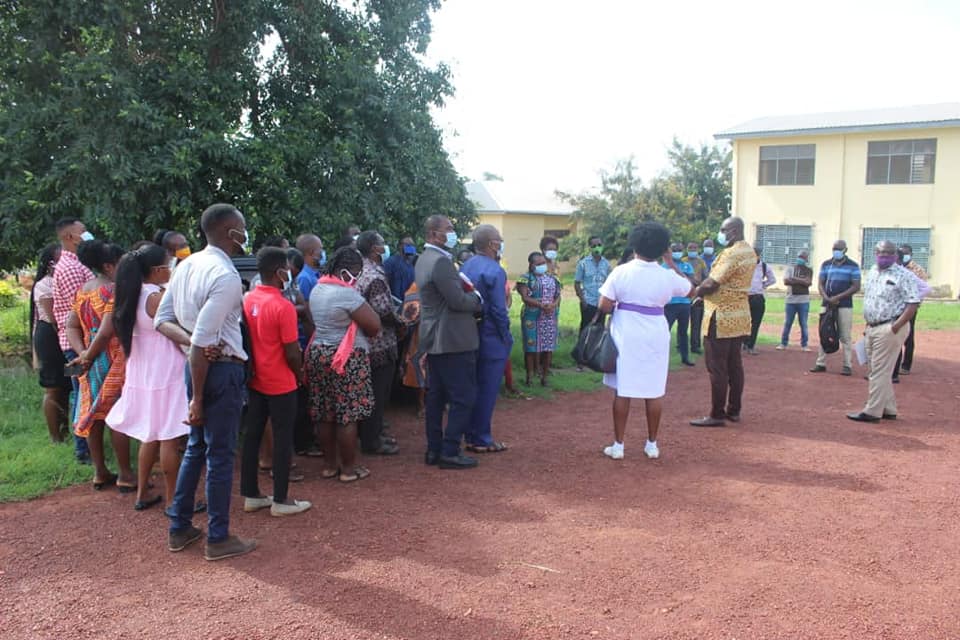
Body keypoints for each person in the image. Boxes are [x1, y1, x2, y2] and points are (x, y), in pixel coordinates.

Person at [154, 203, 256, 561]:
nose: (246, 234)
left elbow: (162, 322)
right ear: (232, 233)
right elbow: (201, 342)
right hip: (218, 373)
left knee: (197, 449)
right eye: (243, 228)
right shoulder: (225, 276)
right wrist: (197, 398)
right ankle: (218, 537)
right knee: (220, 455)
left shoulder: (186, 265)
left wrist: (192, 342)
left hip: (195, 368)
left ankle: (179, 528)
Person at [597, 222, 694, 460]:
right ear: (663, 249)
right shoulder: (666, 274)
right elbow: (690, 289)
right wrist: (671, 263)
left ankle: (618, 446)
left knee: (623, 390)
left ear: (634, 245)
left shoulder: (621, 271)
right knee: (654, 391)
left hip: (627, 333)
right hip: (656, 333)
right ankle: (652, 444)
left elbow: (604, 305)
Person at [107, 243, 191, 511]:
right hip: (165, 371)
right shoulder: (156, 297)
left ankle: (142, 492)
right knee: (169, 436)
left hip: (142, 371)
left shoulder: (129, 294)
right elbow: (178, 326)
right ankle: (173, 499)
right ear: (157, 270)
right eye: (169, 265)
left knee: (150, 435)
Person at [239, 247, 312, 516]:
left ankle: (251, 494)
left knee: (253, 435)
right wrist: (300, 373)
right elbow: (292, 351)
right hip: (281, 382)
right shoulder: (283, 307)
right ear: (278, 271)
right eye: (286, 269)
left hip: (255, 379)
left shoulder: (248, 299)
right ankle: (281, 499)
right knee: (282, 439)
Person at [306, 247, 382, 482]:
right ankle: (348, 470)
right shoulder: (348, 295)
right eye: (357, 272)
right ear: (347, 271)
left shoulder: (318, 288)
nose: (358, 277)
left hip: (318, 353)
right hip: (346, 357)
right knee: (347, 414)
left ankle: (329, 466)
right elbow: (374, 326)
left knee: (325, 413)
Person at [415, 215, 483, 469]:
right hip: (453, 338)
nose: (453, 233)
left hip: (434, 337)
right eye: (449, 229)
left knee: (436, 397)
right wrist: (477, 300)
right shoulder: (441, 262)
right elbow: (456, 301)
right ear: (434, 234)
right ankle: (450, 450)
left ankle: (434, 449)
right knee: (463, 396)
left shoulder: (424, 259)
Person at [65, 240, 134, 490]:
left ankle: (100, 472)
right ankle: (126, 475)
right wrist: (90, 356)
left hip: (89, 359)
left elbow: (71, 325)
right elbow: (106, 332)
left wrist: (83, 354)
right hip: (112, 358)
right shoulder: (113, 290)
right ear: (108, 265)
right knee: (117, 414)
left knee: (94, 414)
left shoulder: (84, 290)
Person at [689, 217, 757, 427]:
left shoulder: (731, 253)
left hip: (721, 315)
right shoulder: (749, 252)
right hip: (739, 315)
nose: (720, 234)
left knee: (717, 367)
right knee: (735, 365)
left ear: (734, 231)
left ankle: (717, 414)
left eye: (723, 230)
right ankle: (733, 410)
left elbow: (712, 282)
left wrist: (696, 292)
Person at [847, 241, 920, 423]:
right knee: (879, 369)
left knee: (878, 370)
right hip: (872, 326)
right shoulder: (872, 271)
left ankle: (872, 411)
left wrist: (895, 327)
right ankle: (888, 408)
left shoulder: (904, 275)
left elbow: (913, 303)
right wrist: (868, 325)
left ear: (896, 256)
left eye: (888, 253)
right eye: (880, 252)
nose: (884, 256)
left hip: (890, 327)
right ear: (875, 253)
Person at [460, 224, 511, 453]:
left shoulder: (466, 265)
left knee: (471, 385)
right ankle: (481, 437)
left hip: (469, 332)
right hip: (491, 335)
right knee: (488, 388)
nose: (501, 243)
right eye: (499, 240)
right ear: (492, 244)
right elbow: (499, 310)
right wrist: (505, 335)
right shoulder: (496, 270)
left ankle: (470, 433)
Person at [355, 231, 403, 456]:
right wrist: (402, 321)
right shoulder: (374, 275)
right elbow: (383, 310)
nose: (386, 247)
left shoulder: (357, 270)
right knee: (378, 392)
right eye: (383, 244)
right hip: (379, 343)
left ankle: (370, 434)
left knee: (369, 391)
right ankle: (371, 440)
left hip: (362, 341)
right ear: (375, 248)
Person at [52, 217, 94, 463]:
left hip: (79, 343)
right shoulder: (70, 269)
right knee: (81, 395)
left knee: (82, 393)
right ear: (70, 237)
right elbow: (80, 312)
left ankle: (86, 445)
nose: (86, 234)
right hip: (76, 346)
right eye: (83, 231)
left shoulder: (77, 264)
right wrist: (85, 349)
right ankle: (82, 449)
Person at [31, 244, 71, 442]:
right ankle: (56, 437)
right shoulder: (44, 285)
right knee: (53, 387)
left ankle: (66, 430)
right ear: (50, 264)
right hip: (51, 337)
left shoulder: (63, 281)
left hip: (64, 335)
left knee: (67, 384)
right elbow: (53, 318)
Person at [810, 240, 861, 376]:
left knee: (845, 336)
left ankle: (847, 365)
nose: (836, 251)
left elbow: (856, 286)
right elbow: (820, 283)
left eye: (839, 249)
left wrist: (838, 297)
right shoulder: (826, 264)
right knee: (824, 332)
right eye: (834, 248)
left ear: (845, 250)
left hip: (844, 305)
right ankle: (820, 363)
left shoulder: (853, 266)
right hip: (826, 304)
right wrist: (826, 297)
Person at [517, 252, 561, 386]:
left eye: (544, 263)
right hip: (532, 316)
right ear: (531, 265)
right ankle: (529, 377)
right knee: (531, 347)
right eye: (539, 264)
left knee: (548, 347)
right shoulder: (525, 278)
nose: (542, 266)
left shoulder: (553, 278)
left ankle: (545, 377)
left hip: (549, 317)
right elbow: (525, 297)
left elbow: (558, 295)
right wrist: (541, 305)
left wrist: (553, 305)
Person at [893, 244, 928, 380]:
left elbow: (924, 288)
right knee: (895, 336)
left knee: (908, 336)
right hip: (896, 307)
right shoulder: (893, 269)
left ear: (911, 254)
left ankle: (906, 365)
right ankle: (895, 366)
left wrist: (914, 301)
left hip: (910, 308)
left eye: (906, 253)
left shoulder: (916, 270)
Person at [662, 242, 696, 366]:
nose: (677, 251)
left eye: (680, 249)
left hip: (685, 303)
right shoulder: (664, 266)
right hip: (670, 304)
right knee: (665, 331)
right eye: (675, 249)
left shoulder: (687, 266)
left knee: (683, 331)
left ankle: (685, 356)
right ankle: (662, 357)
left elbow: (691, 281)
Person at [400, 281, 428, 417]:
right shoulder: (448, 281)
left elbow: (409, 315)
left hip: (425, 331)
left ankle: (421, 404)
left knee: (420, 365)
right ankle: (423, 404)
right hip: (435, 331)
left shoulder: (417, 285)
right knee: (422, 365)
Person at [574, 236, 611, 333]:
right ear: (590, 247)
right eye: (594, 245)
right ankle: (582, 348)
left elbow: (609, 283)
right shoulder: (583, 263)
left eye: (599, 245)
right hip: (588, 302)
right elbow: (577, 283)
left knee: (600, 329)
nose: (597, 247)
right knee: (586, 329)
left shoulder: (606, 264)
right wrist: (583, 301)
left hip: (601, 303)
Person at [778, 250, 813, 351]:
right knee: (788, 322)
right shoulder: (790, 268)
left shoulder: (809, 270)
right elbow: (786, 281)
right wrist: (802, 281)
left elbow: (808, 282)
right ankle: (783, 343)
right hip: (790, 300)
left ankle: (804, 344)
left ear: (806, 259)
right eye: (799, 256)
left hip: (804, 300)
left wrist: (794, 279)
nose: (800, 258)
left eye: (803, 257)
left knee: (803, 323)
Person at [744, 247, 776, 355]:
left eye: (756, 254)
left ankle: (751, 345)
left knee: (755, 323)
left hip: (758, 297)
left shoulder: (764, 266)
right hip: (745, 297)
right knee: (744, 322)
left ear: (759, 255)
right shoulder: (745, 266)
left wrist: (763, 285)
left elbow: (772, 279)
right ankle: (744, 342)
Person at [684, 242, 709, 355]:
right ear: (687, 249)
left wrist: (700, 288)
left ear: (698, 249)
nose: (692, 250)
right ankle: (681, 345)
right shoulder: (683, 261)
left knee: (696, 323)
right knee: (683, 323)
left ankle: (695, 345)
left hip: (697, 296)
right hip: (683, 295)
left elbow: (706, 277)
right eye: (690, 248)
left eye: (694, 248)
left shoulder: (701, 262)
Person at [294, 234, 324, 316]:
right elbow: (306, 311)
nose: (322, 252)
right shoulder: (304, 277)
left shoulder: (315, 274)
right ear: (311, 252)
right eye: (320, 249)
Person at [384, 236, 417, 301]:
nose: (410, 247)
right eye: (407, 245)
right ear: (400, 246)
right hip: (395, 303)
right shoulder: (391, 262)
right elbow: (384, 283)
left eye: (412, 245)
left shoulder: (412, 265)